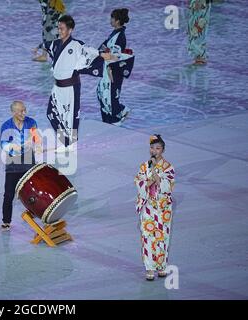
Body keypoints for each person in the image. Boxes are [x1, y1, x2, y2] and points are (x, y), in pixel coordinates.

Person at [40, 15, 115, 152]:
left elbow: (91, 52)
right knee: (51, 113)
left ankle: (70, 144)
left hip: (71, 86)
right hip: (57, 87)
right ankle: (66, 141)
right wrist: (39, 48)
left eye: (62, 28)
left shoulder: (76, 45)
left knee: (71, 115)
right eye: (58, 28)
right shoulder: (56, 44)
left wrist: (102, 54)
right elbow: (47, 45)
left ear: (70, 30)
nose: (59, 31)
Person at [134, 135, 175, 281]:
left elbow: (168, 186)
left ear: (163, 150)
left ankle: (162, 266)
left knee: (163, 236)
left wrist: (156, 178)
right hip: (148, 206)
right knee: (148, 236)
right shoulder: (144, 166)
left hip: (163, 207)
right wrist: (150, 179)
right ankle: (150, 268)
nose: (154, 151)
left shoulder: (168, 167)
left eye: (158, 148)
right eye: (152, 148)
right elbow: (139, 182)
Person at [0, 101, 41, 230]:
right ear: (13, 112)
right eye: (21, 111)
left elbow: (36, 138)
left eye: (25, 110)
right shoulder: (6, 126)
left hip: (29, 160)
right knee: (9, 194)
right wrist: (13, 147)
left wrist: (37, 144)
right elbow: (3, 145)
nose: (24, 113)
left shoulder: (31, 122)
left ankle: (36, 212)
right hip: (13, 162)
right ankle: (6, 221)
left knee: (33, 191)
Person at [96, 8, 135, 126]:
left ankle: (117, 116)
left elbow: (116, 56)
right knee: (102, 93)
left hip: (113, 70)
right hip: (108, 68)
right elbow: (105, 46)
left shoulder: (120, 36)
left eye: (112, 18)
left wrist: (110, 69)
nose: (110, 20)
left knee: (110, 95)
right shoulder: (116, 33)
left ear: (117, 21)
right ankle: (109, 119)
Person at [188, 0, 211, 65]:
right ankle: (200, 55)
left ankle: (201, 55)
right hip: (199, 7)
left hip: (201, 7)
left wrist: (199, 3)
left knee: (197, 32)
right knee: (194, 31)